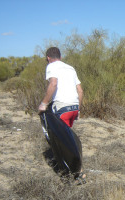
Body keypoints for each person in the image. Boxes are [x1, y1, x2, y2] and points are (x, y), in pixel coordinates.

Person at [38, 47, 85, 184]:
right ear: (61, 56)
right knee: (67, 139)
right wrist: (78, 109)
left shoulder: (52, 66)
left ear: (48, 58)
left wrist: (44, 104)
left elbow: (53, 83)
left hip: (62, 106)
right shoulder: (70, 68)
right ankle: (75, 170)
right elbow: (80, 91)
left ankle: (76, 173)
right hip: (74, 107)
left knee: (61, 141)